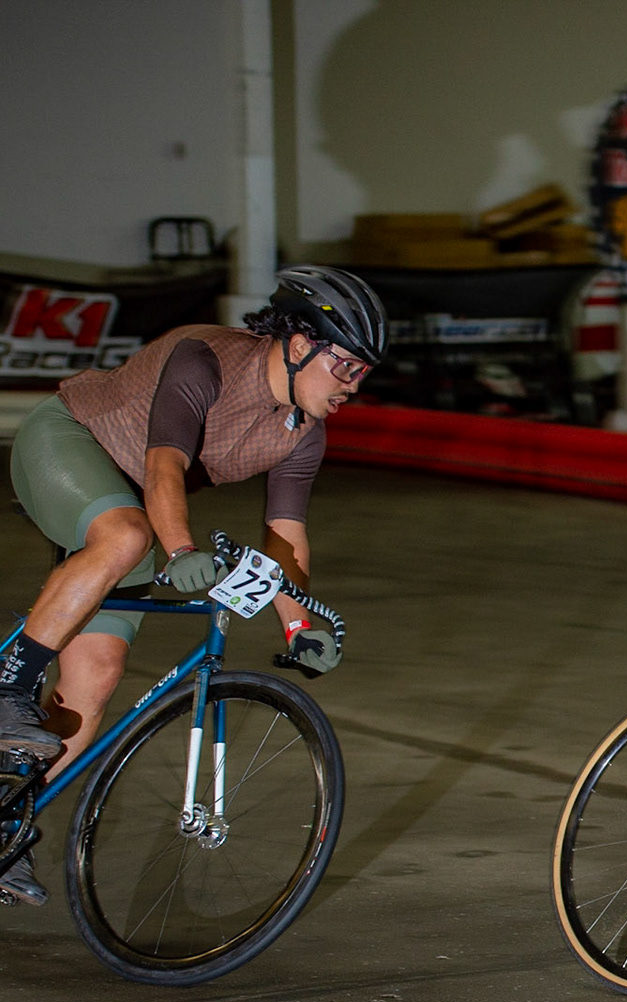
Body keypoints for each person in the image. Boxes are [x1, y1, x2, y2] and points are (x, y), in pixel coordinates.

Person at [0, 265, 385, 905]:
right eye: (345, 366)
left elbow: (285, 536)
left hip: (129, 504)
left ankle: (5, 828)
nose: (353, 385)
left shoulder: (303, 433)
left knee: (95, 679)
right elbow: (163, 466)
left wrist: (298, 622)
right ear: (299, 344)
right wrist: (180, 549)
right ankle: (9, 685)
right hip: (68, 443)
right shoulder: (203, 359)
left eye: (364, 372)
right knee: (127, 536)